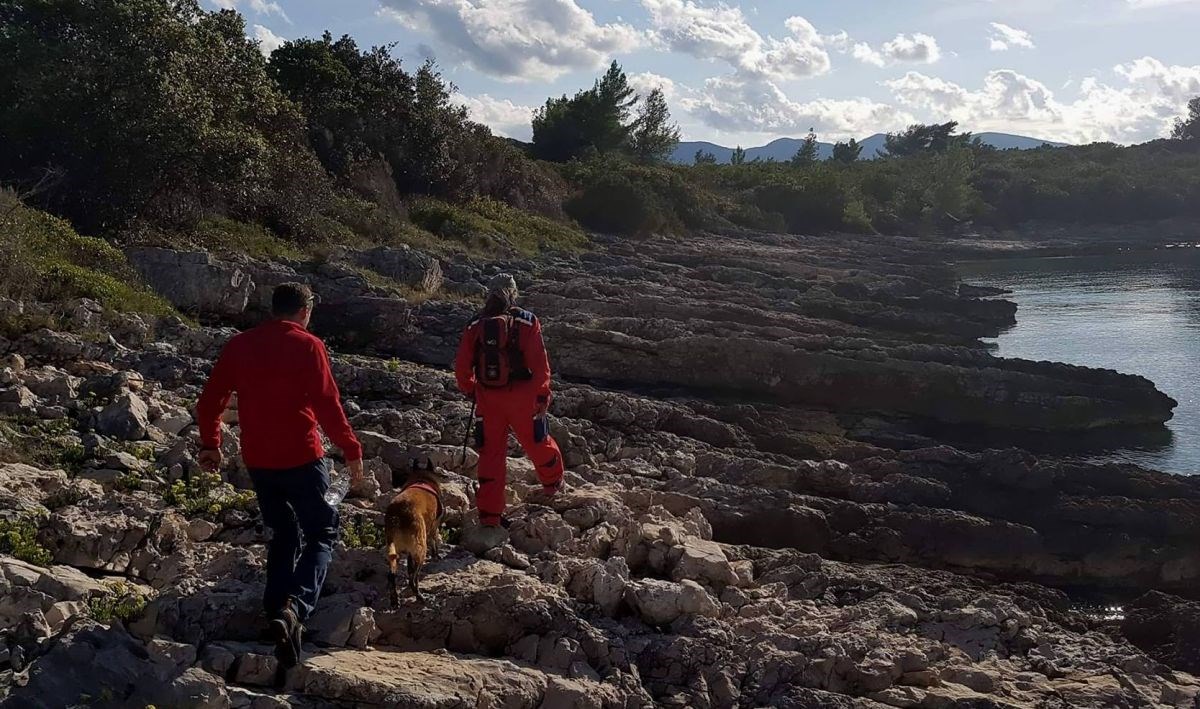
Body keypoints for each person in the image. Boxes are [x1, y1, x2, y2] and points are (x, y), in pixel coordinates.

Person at [196, 282, 363, 668]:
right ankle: (296, 608)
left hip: (259, 460)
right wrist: (352, 451)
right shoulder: (309, 345)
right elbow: (327, 404)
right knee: (322, 532)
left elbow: (210, 402)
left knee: (282, 534)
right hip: (303, 458)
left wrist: (211, 445)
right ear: (305, 311)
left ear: (274, 309)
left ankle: (276, 611)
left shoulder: (240, 345)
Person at [454, 274, 565, 528]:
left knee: (491, 455)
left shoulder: (474, 325)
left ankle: (490, 516)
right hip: (523, 397)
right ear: (513, 294)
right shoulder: (527, 322)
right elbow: (540, 364)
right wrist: (542, 394)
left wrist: (472, 390)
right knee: (538, 442)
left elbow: (462, 368)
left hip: (488, 399)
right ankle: (553, 485)